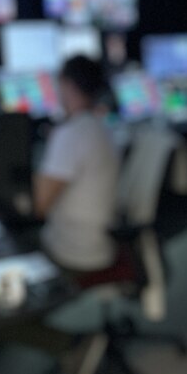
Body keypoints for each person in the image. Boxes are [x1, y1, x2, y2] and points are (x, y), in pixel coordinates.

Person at [34, 55, 120, 276]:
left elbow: (40, 206)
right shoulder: (101, 127)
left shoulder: (70, 134)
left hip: (74, 250)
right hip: (100, 242)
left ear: (68, 85)